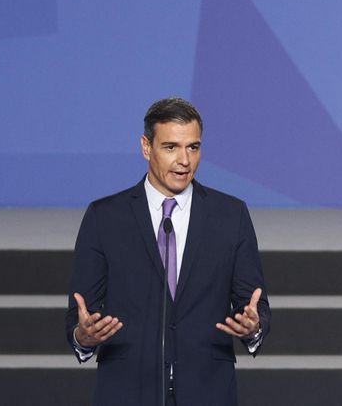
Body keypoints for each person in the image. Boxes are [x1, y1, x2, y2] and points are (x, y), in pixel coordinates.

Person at [66, 97, 270, 406]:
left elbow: (254, 305)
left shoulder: (231, 216)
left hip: (208, 392)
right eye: (171, 147)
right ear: (146, 147)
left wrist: (253, 327)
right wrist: (84, 338)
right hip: (127, 392)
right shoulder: (104, 217)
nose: (184, 161)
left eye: (193, 147)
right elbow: (79, 317)